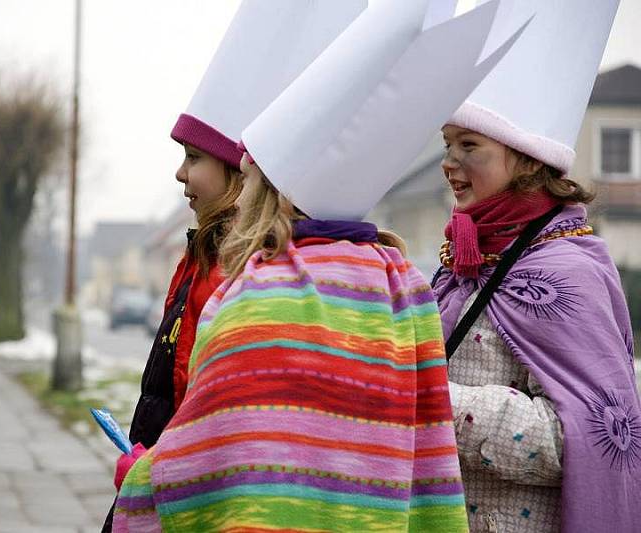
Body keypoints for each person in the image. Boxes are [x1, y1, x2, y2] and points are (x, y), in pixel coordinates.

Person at [111, 1, 524, 530]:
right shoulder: (405, 290)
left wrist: (139, 477)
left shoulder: (254, 295)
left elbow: (207, 463)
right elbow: (432, 468)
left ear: (264, 187)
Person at [101, 2, 368, 530]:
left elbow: (227, 420)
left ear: (241, 171)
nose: (180, 174)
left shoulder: (249, 275)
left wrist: (158, 473)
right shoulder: (201, 254)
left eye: (194, 157)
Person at [431, 1, 640, 531]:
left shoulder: (569, 273)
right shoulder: (460, 263)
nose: (448, 163)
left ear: (525, 158)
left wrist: (432, 399)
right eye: (447, 144)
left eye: (469, 145)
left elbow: (581, 440)